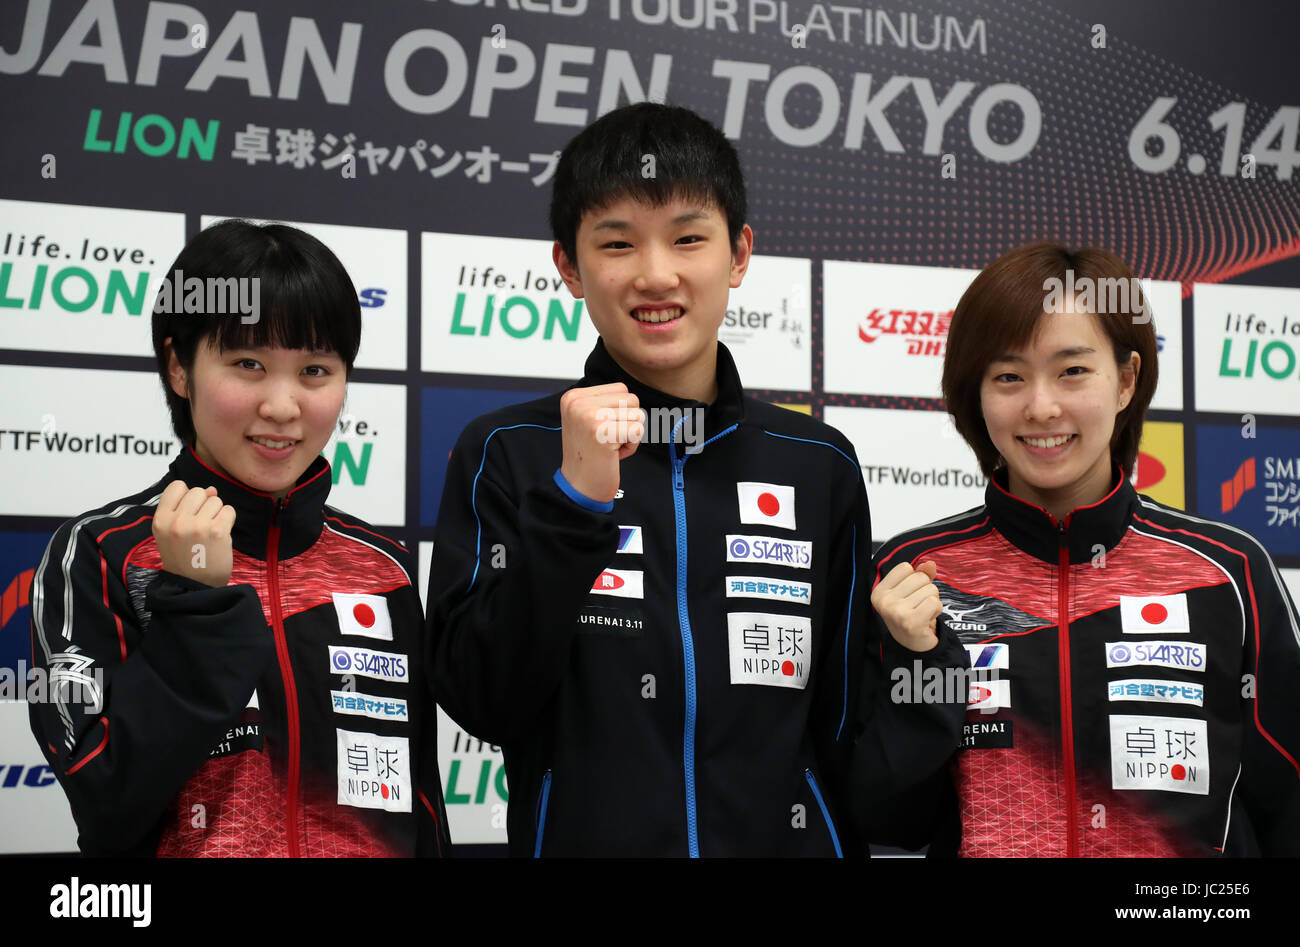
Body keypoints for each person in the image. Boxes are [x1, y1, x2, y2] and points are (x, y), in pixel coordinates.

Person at [426, 102, 967, 857]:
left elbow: (845, 735)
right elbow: (483, 700)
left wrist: (926, 665)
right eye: (617, 242)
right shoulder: (508, 452)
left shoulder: (817, 463)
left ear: (739, 254)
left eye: (688, 238)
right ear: (569, 268)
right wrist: (574, 506)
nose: (656, 274)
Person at [29, 220, 448, 857]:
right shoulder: (100, 553)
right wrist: (195, 606)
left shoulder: (381, 566)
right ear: (178, 366)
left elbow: (419, 806)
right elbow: (104, 797)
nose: (283, 406)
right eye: (247, 364)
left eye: (314, 369)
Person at [872, 242, 1300, 856]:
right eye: (1009, 376)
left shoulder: (1228, 570)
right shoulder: (912, 576)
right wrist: (919, 666)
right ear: (977, 394)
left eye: (1072, 371)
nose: (1042, 406)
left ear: (1126, 380)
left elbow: (1285, 802)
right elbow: (890, 819)